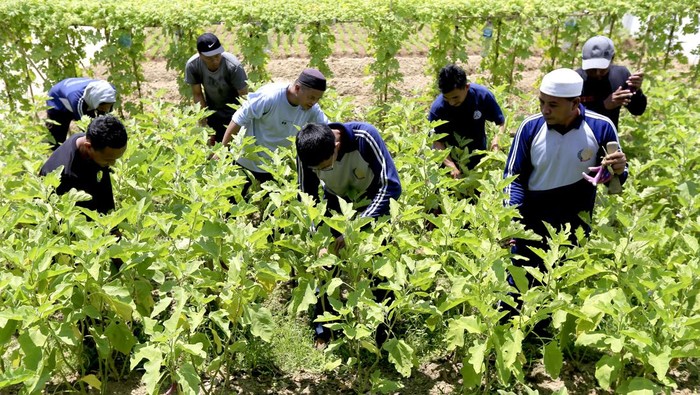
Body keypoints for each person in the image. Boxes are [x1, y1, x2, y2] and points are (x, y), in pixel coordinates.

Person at [503, 68, 627, 316]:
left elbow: (616, 179)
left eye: (552, 105)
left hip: (575, 219)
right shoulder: (530, 127)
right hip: (532, 217)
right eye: (541, 102)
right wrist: (510, 220)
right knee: (519, 282)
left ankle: (545, 337)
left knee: (561, 282)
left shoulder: (601, 127)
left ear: (575, 103)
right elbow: (513, 179)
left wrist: (618, 169)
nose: (544, 110)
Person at [296, 122, 402, 348]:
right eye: (318, 170)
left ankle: (386, 332)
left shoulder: (364, 137)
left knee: (379, 269)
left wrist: (354, 228)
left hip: (372, 204)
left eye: (326, 166)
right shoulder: (307, 153)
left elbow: (391, 186)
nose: (322, 172)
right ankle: (323, 329)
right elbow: (307, 197)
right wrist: (319, 239)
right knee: (326, 267)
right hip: (336, 202)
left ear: (336, 146)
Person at [220, 68, 328, 197]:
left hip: (273, 166)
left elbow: (328, 128)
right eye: (311, 97)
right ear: (298, 88)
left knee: (272, 212)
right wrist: (222, 150)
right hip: (246, 159)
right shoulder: (270, 97)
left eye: (318, 99)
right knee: (230, 206)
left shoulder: (311, 108)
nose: (314, 102)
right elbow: (238, 119)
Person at [40, 114, 128, 215]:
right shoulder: (64, 173)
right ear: (88, 147)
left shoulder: (90, 141)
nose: (113, 163)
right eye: (108, 159)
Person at [428, 64, 506, 177]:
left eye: (455, 97)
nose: (451, 103)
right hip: (448, 159)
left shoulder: (482, 96)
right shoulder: (438, 109)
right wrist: (451, 167)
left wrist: (497, 139)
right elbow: (437, 142)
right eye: (446, 98)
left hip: (477, 156)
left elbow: (500, 122)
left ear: (467, 87)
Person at [185, 32, 248, 145]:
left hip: (235, 115)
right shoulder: (193, 65)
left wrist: (240, 124)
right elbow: (198, 94)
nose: (215, 60)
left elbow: (244, 98)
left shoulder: (233, 66)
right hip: (212, 113)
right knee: (212, 152)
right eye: (209, 58)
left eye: (217, 55)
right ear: (200, 54)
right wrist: (204, 124)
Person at [576, 36, 647, 130]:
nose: (597, 73)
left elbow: (637, 110)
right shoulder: (575, 80)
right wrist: (603, 106)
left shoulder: (620, 75)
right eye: (592, 69)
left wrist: (637, 91)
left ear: (612, 59)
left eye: (602, 69)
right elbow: (566, 116)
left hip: (608, 139)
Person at [45, 77, 117, 149]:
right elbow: (85, 126)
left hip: (82, 96)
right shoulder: (77, 101)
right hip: (58, 103)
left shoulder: (109, 91)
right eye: (101, 108)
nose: (106, 110)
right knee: (57, 139)